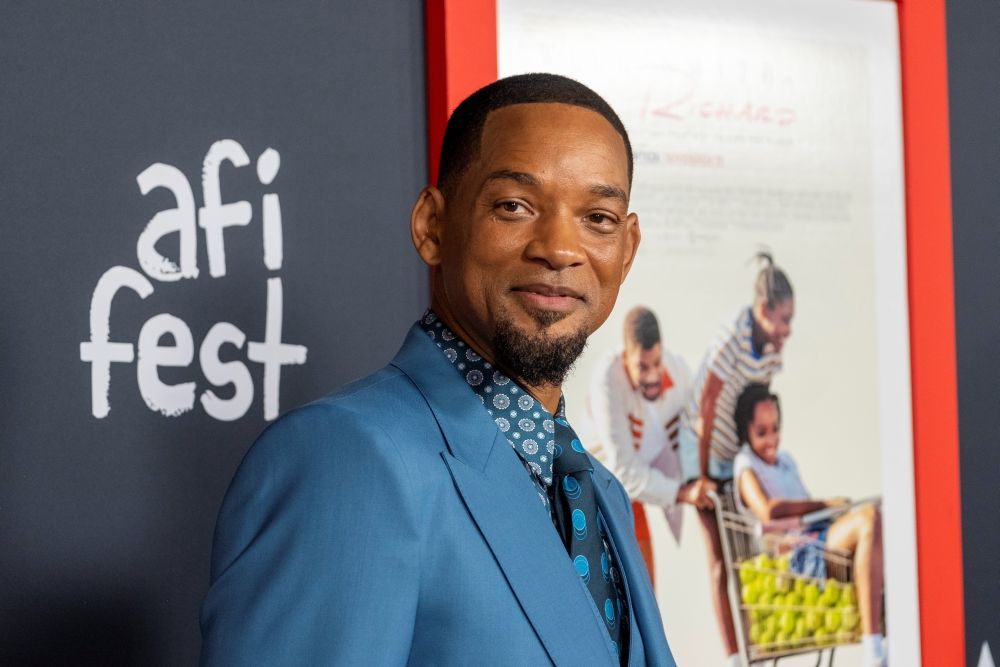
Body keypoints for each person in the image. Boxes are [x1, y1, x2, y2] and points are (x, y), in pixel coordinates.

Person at [199, 73, 676, 666]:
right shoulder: (346, 458)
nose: (559, 247)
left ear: (627, 251)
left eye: (597, 218)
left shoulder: (600, 491)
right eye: (514, 206)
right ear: (431, 226)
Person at [678, 252, 794, 666]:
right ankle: (734, 657)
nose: (787, 330)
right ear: (763, 311)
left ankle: (756, 651)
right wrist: (705, 475)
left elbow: (755, 412)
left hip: (734, 455)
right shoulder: (734, 337)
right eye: (782, 320)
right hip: (701, 447)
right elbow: (708, 407)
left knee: (748, 554)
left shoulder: (773, 355)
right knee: (719, 559)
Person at [732, 384, 886, 667]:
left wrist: (832, 511)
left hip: (817, 539)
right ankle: (874, 645)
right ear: (746, 431)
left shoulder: (786, 460)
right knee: (868, 520)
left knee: (878, 519)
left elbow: (805, 508)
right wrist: (825, 504)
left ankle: (882, 634)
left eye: (775, 428)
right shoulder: (745, 465)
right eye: (761, 432)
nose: (771, 439)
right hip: (798, 559)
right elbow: (768, 511)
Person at [585, 306, 699, 584]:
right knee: (633, 586)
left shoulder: (679, 370)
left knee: (646, 588)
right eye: (642, 367)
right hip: (605, 490)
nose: (652, 376)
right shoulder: (607, 382)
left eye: (656, 363)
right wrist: (683, 493)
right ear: (626, 358)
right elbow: (622, 470)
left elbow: (694, 434)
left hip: (646, 485)